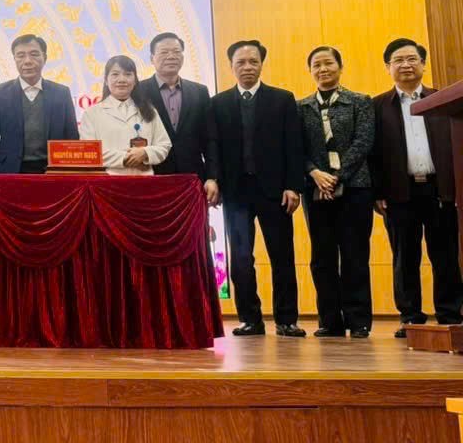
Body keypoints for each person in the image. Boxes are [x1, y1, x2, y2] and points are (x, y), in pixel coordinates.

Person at [206, 40, 306, 338]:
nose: (247, 67)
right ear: (231, 66)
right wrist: (214, 178)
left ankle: (287, 320)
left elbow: (294, 146)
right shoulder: (218, 103)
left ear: (262, 64)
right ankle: (250, 319)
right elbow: (213, 146)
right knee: (240, 259)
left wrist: (293, 186)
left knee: (282, 256)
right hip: (236, 192)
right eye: (241, 62)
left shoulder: (282, 99)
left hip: (275, 192)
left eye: (253, 61)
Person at [371, 37, 463, 337]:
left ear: (423, 64)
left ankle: (450, 313)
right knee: (404, 258)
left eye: (412, 59)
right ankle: (410, 317)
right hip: (399, 192)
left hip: (440, 190)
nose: (406, 64)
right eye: (398, 60)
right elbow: (373, 154)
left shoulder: (442, 101)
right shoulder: (377, 106)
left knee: (445, 255)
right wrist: (377, 193)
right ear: (388, 67)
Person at [297, 46, 375, 339]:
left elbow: (363, 142)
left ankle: (359, 320)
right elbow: (297, 147)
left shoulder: (360, 102)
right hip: (316, 189)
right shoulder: (301, 107)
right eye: (316, 65)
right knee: (322, 257)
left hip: (355, 188)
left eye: (328, 63)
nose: (323, 69)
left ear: (340, 67)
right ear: (310, 71)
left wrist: (337, 176)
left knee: (355, 254)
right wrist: (315, 173)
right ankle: (330, 320)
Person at [139, 33, 217, 201]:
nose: (171, 56)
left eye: (176, 51)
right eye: (164, 52)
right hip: (152, 177)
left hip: (193, 178)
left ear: (182, 56)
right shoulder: (138, 91)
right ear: (152, 58)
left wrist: (212, 177)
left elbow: (209, 139)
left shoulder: (199, 91)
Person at [0, 35, 79, 174]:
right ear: (14, 59)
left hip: (53, 171)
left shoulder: (61, 93)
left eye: (34, 54)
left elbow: (72, 137)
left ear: (44, 58)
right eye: (20, 56)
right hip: (10, 171)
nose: (27, 61)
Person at [79, 56, 172, 175]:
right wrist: (125, 158)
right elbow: (89, 152)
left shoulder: (149, 110)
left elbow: (164, 145)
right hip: (107, 181)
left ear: (135, 80)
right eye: (115, 74)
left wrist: (145, 153)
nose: (121, 79)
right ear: (106, 80)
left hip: (144, 181)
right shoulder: (92, 114)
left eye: (128, 74)